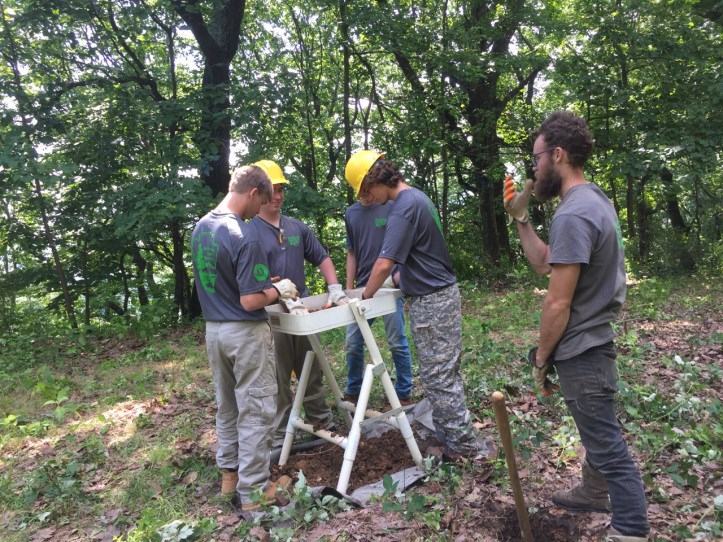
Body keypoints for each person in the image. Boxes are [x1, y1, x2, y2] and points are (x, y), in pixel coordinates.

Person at [503, 111, 649, 542]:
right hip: (594, 341)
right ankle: (593, 489)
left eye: (536, 159)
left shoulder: (573, 213)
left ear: (558, 154)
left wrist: (542, 358)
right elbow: (545, 262)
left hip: (582, 349)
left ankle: (630, 530)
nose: (533, 169)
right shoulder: (593, 200)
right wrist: (521, 219)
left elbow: (558, 300)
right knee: (595, 425)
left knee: (607, 443)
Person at [344, 150, 492, 461]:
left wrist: (363, 296)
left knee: (439, 376)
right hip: (438, 295)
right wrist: (402, 278)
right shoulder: (417, 198)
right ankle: (450, 434)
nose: (367, 199)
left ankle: (463, 447)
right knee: (441, 372)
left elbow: (383, 263)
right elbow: (421, 256)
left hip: (433, 301)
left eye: (366, 191)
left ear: (374, 182)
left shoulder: (404, 207)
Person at [190, 165, 299, 511]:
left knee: (228, 405)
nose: (260, 210)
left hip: (214, 330)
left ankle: (230, 476)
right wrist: (278, 289)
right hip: (245, 332)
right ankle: (254, 492)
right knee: (255, 409)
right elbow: (250, 299)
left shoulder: (202, 228)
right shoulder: (245, 234)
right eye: (262, 201)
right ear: (253, 194)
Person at [251, 160, 349, 448]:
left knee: (312, 367)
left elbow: (322, 257)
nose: (278, 196)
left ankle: (321, 422)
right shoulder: (250, 232)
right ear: (260, 192)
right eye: (273, 189)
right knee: (278, 375)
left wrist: (334, 288)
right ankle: (283, 435)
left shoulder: (296, 228)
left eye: (281, 189)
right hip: (271, 314)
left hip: (302, 309)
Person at [343, 157, 414, 406]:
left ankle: (403, 391)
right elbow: (351, 252)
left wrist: (399, 276)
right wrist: (349, 287)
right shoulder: (351, 214)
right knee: (353, 342)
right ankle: (353, 390)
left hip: (388, 287)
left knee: (397, 339)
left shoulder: (391, 204)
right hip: (362, 288)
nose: (369, 195)